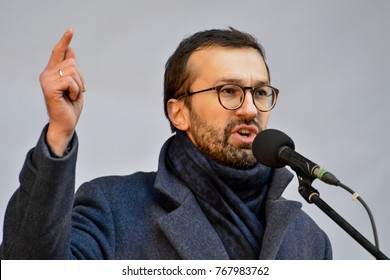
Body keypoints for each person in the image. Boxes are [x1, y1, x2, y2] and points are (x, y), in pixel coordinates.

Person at [0, 27, 332, 260]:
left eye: (260, 92)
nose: (249, 108)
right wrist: (59, 133)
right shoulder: (113, 209)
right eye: (228, 91)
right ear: (179, 113)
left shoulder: (309, 240)